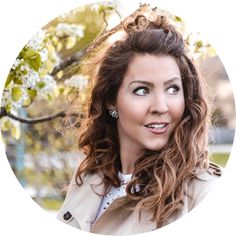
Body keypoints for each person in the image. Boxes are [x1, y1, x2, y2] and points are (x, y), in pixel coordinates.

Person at [57, 9, 222, 235]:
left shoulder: (205, 192)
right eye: (142, 90)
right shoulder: (87, 179)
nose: (161, 106)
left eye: (172, 88)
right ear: (111, 101)